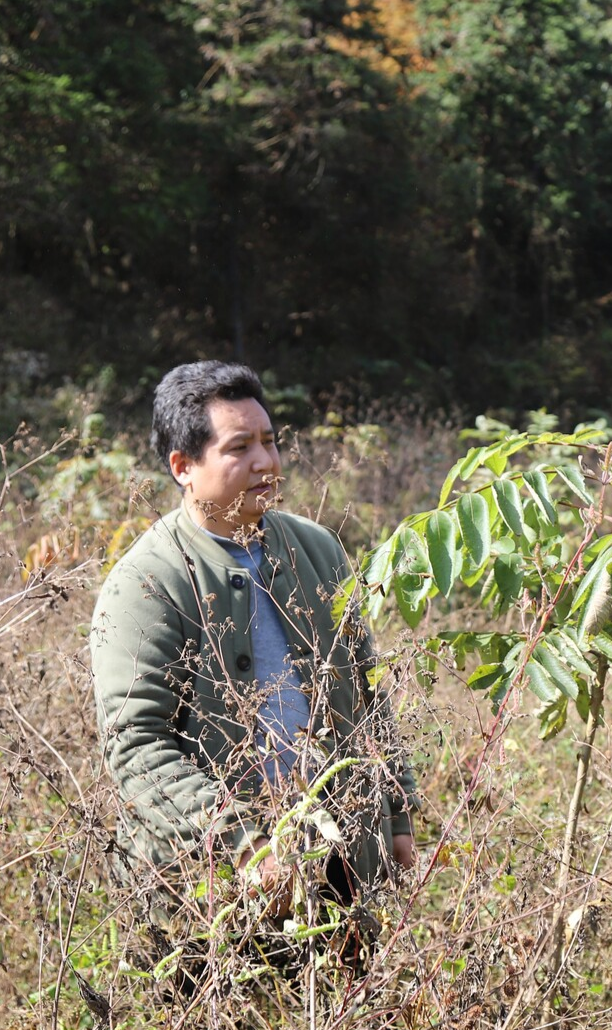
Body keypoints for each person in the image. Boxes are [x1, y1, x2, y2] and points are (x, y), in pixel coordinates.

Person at [90, 360, 417, 952]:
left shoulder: (317, 550)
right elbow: (135, 744)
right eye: (239, 447)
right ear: (183, 468)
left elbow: (366, 696)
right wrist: (244, 842)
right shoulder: (148, 582)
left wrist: (396, 814)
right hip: (204, 890)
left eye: (269, 441)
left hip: (338, 859)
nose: (265, 462)